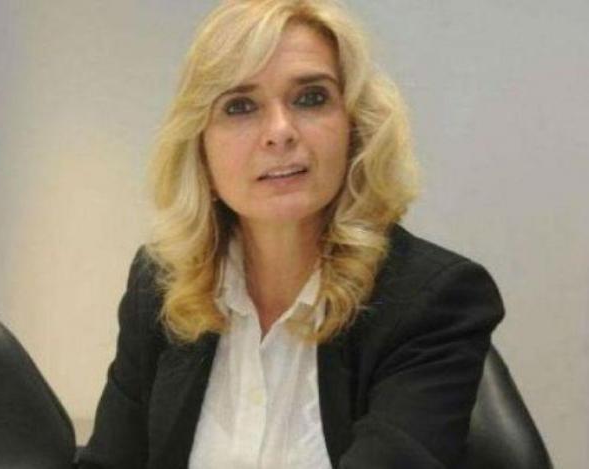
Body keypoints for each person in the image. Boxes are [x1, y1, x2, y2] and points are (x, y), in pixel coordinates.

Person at [77, 1, 505, 468]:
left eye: (311, 98)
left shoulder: (433, 300)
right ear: (200, 148)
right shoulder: (162, 284)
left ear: (355, 129)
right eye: (240, 106)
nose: (279, 132)